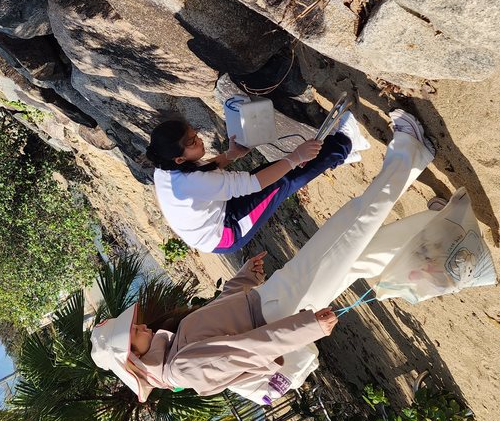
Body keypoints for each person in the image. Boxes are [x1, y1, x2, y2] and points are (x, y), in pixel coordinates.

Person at [94, 110, 436, 405]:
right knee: (352, 226)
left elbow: (222, 318)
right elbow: (249, 348)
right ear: (134, 358)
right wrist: (306, 329)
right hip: (283, 310)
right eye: (134, 332)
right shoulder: (180, 368)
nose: (141, 326)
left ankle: (433, 227)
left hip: (273, 302)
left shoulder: (174, 353)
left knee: (357, 254)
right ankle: (410, 151)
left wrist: (242, 279)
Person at [148, 112, 366, 255]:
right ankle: (345, 143)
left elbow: (204, 168)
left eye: (196, 134)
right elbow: (253, 183)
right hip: (225, 232)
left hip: (215, 210)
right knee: (283, 180)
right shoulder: (190, 182)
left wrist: (232, 154)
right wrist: (295, 157)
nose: (200, 140)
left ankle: (338, 155)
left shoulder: (166, 165)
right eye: (193, 142)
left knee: (273, 170)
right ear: (179, 158)